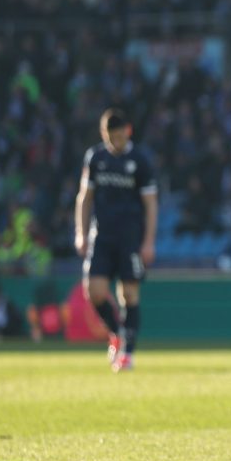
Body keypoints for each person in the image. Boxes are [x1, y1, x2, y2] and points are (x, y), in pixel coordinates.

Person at [74, 108, 158, 372]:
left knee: (129, 293)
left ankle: (127, 353)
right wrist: (81, 232)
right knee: (94, 291)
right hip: (101, 236)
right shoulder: (95, 158)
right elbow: (85, 197)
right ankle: (117, 333)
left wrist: (148, 241)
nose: (116, 142)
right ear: (103, 134)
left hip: (130, 238)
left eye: (120, 136)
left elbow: (151, 203)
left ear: (128, 132)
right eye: (111, 137)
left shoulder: (140, 161)